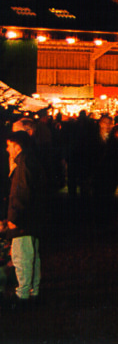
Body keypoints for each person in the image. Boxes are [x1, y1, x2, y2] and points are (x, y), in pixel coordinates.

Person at [0, 131, 47, 306]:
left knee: (22, 257)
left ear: (17, 146)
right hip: (33, 218)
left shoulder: (23, 164)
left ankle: (23, 295)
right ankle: (33, 290)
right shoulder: (30, 161)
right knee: (32, 256)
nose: (7, 149)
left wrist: (13, 218)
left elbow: (20, 194)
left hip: (24, 221)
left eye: (9, 145)